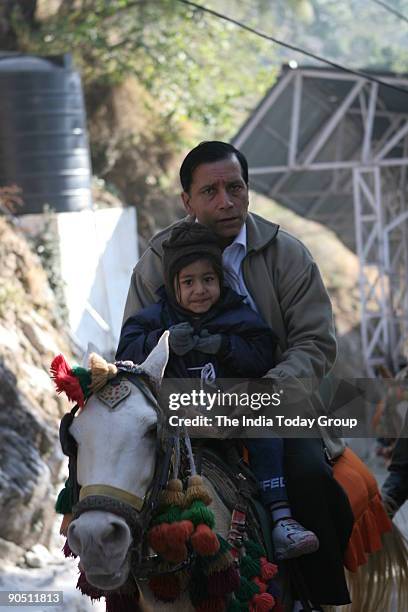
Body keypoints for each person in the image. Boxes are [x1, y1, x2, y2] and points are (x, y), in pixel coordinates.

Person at [119, 141, 354, 608]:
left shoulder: (286, 254)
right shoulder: (156, 260)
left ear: (248, 190)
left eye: (235, 187)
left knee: (310, 477)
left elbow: (315, 341)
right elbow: (133, 348)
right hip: (184, 408)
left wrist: (272, 386)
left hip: (271, 403)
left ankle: (317, 597)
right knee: (120, 492)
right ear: (187, 201)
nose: (226, 200)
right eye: (210, 191)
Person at [116, 221, 320, 561]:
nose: (200, 290)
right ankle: (128, 527)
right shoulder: (153, 319)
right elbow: (126, 355)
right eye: (189, 282)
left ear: (220, 280)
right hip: (177, 421)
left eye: (208, 280)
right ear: (172, 284)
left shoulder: (237, 316)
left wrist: (225, 346)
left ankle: (282, 519)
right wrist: (161, 343)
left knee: (267, 433)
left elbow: (262, 352)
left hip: (232, 416)